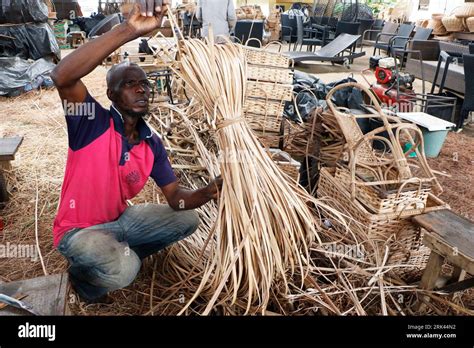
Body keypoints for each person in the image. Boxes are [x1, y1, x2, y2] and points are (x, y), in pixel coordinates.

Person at [50, 0, 222, 303]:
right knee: (126, 270)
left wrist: (208, 192)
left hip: (120, 222)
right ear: (112, 94)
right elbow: (62, 77)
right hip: (78, 232)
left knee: (187, 220)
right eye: (130, 84)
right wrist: (129, 29)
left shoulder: (151, 143)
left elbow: (175, 199)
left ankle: (118, 256)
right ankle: (85, 277)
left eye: (145, 84)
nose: (142, 89)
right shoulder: (90, 121)